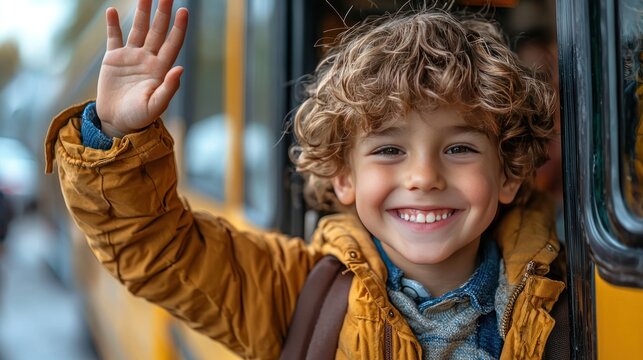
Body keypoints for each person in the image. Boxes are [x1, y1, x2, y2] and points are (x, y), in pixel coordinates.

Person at [44, 0, 567, 358]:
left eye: (459, 148)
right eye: (388, 149)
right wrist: (114, 134)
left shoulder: (559, 298)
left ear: (508, 174)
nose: (424, 176)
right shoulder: (296, 290)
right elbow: (158, 251)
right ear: (343, 177)